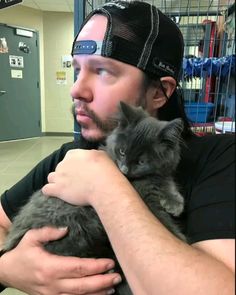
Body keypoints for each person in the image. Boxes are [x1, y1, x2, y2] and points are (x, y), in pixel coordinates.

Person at [0, 1, 235, 294]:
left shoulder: (220, 158)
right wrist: (8, 269)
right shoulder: (70, 157)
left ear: (160, 92)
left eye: (102, 71)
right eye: (77, 69)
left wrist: (104, 185)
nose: (76, 89)